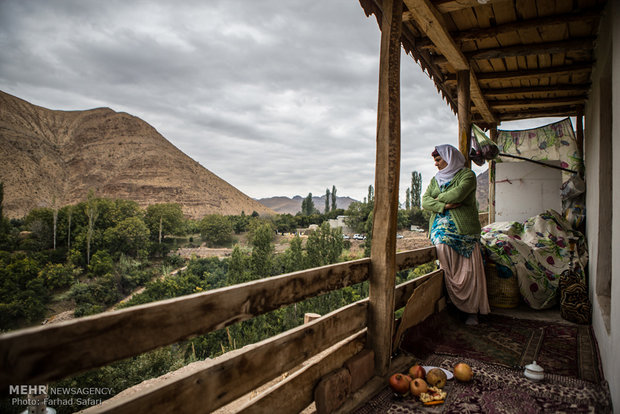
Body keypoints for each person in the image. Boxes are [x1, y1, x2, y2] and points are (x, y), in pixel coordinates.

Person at [422, 144, 490, 325]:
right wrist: (443, 206)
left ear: (449, 158)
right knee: (443, 249)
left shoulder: (467, 175)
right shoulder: (435, 180)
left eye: (438, 159)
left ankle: (472, 310)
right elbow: (424, 201)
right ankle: (454, 302)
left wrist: (436, 200)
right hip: (440, 229)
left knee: (469, 269)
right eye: (435, 160)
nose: (436, 164)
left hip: (465, 230)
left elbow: (458, 194)